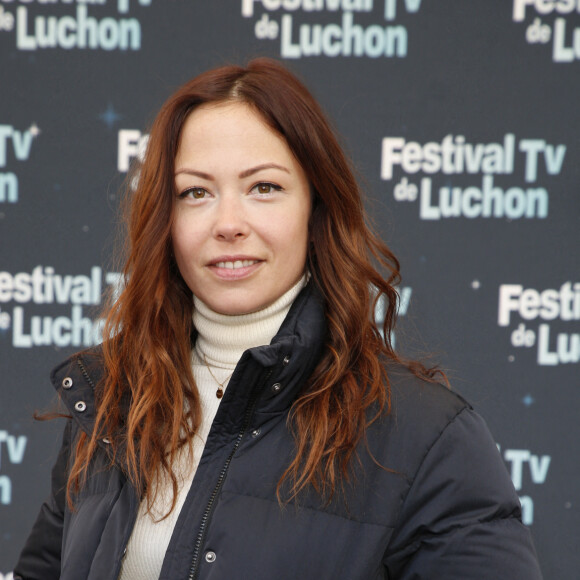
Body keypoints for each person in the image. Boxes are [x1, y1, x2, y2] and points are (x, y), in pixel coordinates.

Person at [14, 58, 543, 580]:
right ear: (165, 220)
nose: (228, 223)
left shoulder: (425, 436)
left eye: (263, 187)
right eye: (195, 192)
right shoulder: (115, 402)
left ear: (315, 209)